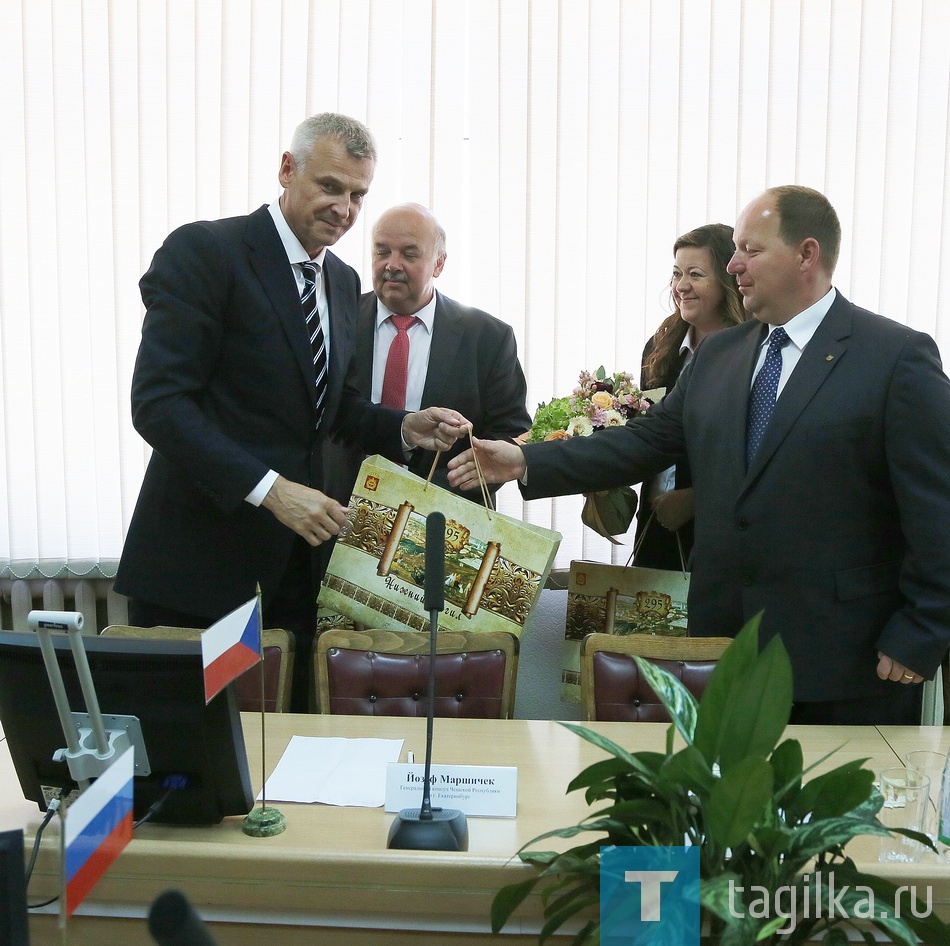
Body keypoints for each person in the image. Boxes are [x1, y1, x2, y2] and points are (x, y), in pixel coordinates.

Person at [448, 185, 950, 725]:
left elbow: (937, 510)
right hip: (722, 651)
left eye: (751, 251)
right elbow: (646, 442)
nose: (734, 265)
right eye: (734, 249)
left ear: (807, 254)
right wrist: (526, 462)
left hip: (848, 660)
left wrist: (922, 631)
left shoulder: (894, 357)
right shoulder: (720, 355)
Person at [114, 113, 468, 711]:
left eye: (358, 195)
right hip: (199, 569)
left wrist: (402, 426)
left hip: (295, 578)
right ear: (286, 170)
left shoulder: (341, 281)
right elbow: (159, 405)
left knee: (279, 766)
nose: (345, 208)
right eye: (330, 186)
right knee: (184, 773)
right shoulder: (207, 251)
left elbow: (325, 408)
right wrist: (272, 491)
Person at [322, 202, 531, 505]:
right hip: (338, 510)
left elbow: (511, 429)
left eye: (409, 254)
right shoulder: (335, 319)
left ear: (439, 264)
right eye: (382, 251)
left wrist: (458, 483)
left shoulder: (488, 337)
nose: (392, 265)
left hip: (444, 521)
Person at [634, 223, 746, 570]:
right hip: (654, 524)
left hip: (719, 534)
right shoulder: (660, 347)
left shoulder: (752, 352)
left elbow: (763, 456)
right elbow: (651, 434)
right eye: (676, 274)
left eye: (696, 274)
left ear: (728, 280)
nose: (681, 286)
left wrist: (698, 501)